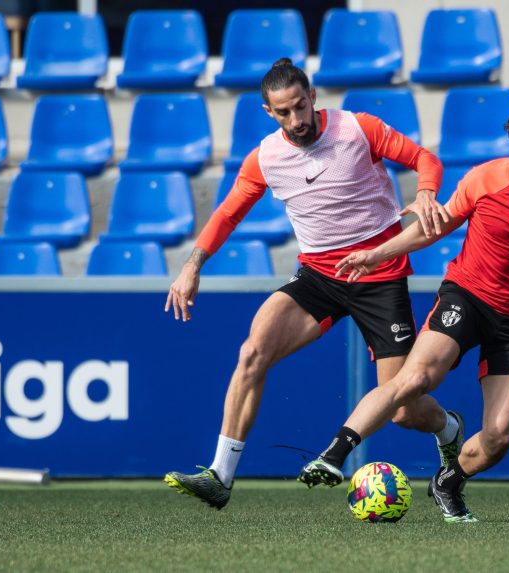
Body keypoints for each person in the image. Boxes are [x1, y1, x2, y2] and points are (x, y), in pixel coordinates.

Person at [163, 58, 464, 510]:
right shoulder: (266, 156)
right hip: (319, 276)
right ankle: (220, 476)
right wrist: (192, 265)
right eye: (284, 112)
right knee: (252, 352)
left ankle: (448, 428)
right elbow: (227, 214)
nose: (296, 120)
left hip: (379, 276)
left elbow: (425, 158)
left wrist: (424, 192)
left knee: (402, 409)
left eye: (301, 107)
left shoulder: (357, 128)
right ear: (269, 112)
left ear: (313, 97)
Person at [298, 95, 509, 523]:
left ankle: (449, 479)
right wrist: (376, 254)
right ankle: (334, 454)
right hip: (466, 296)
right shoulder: (485, 178)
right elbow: (435, 227)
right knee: (416, 378)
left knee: (500, 436)